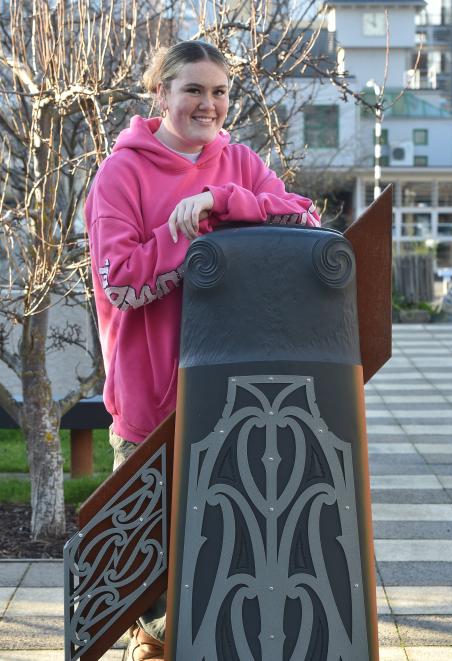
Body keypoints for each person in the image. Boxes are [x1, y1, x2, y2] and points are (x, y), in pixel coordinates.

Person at [85, 40, 320, 661]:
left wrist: (222, 203)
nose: (208, 104)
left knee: (227, 551)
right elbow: (121, 281)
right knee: (142, 571)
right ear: (159, 94)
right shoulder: (121, 174)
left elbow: (305, 217)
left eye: (219, 92)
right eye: (192, 89)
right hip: (151, 404)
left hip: (240, 395)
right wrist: (185, 236)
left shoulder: (239, 162)